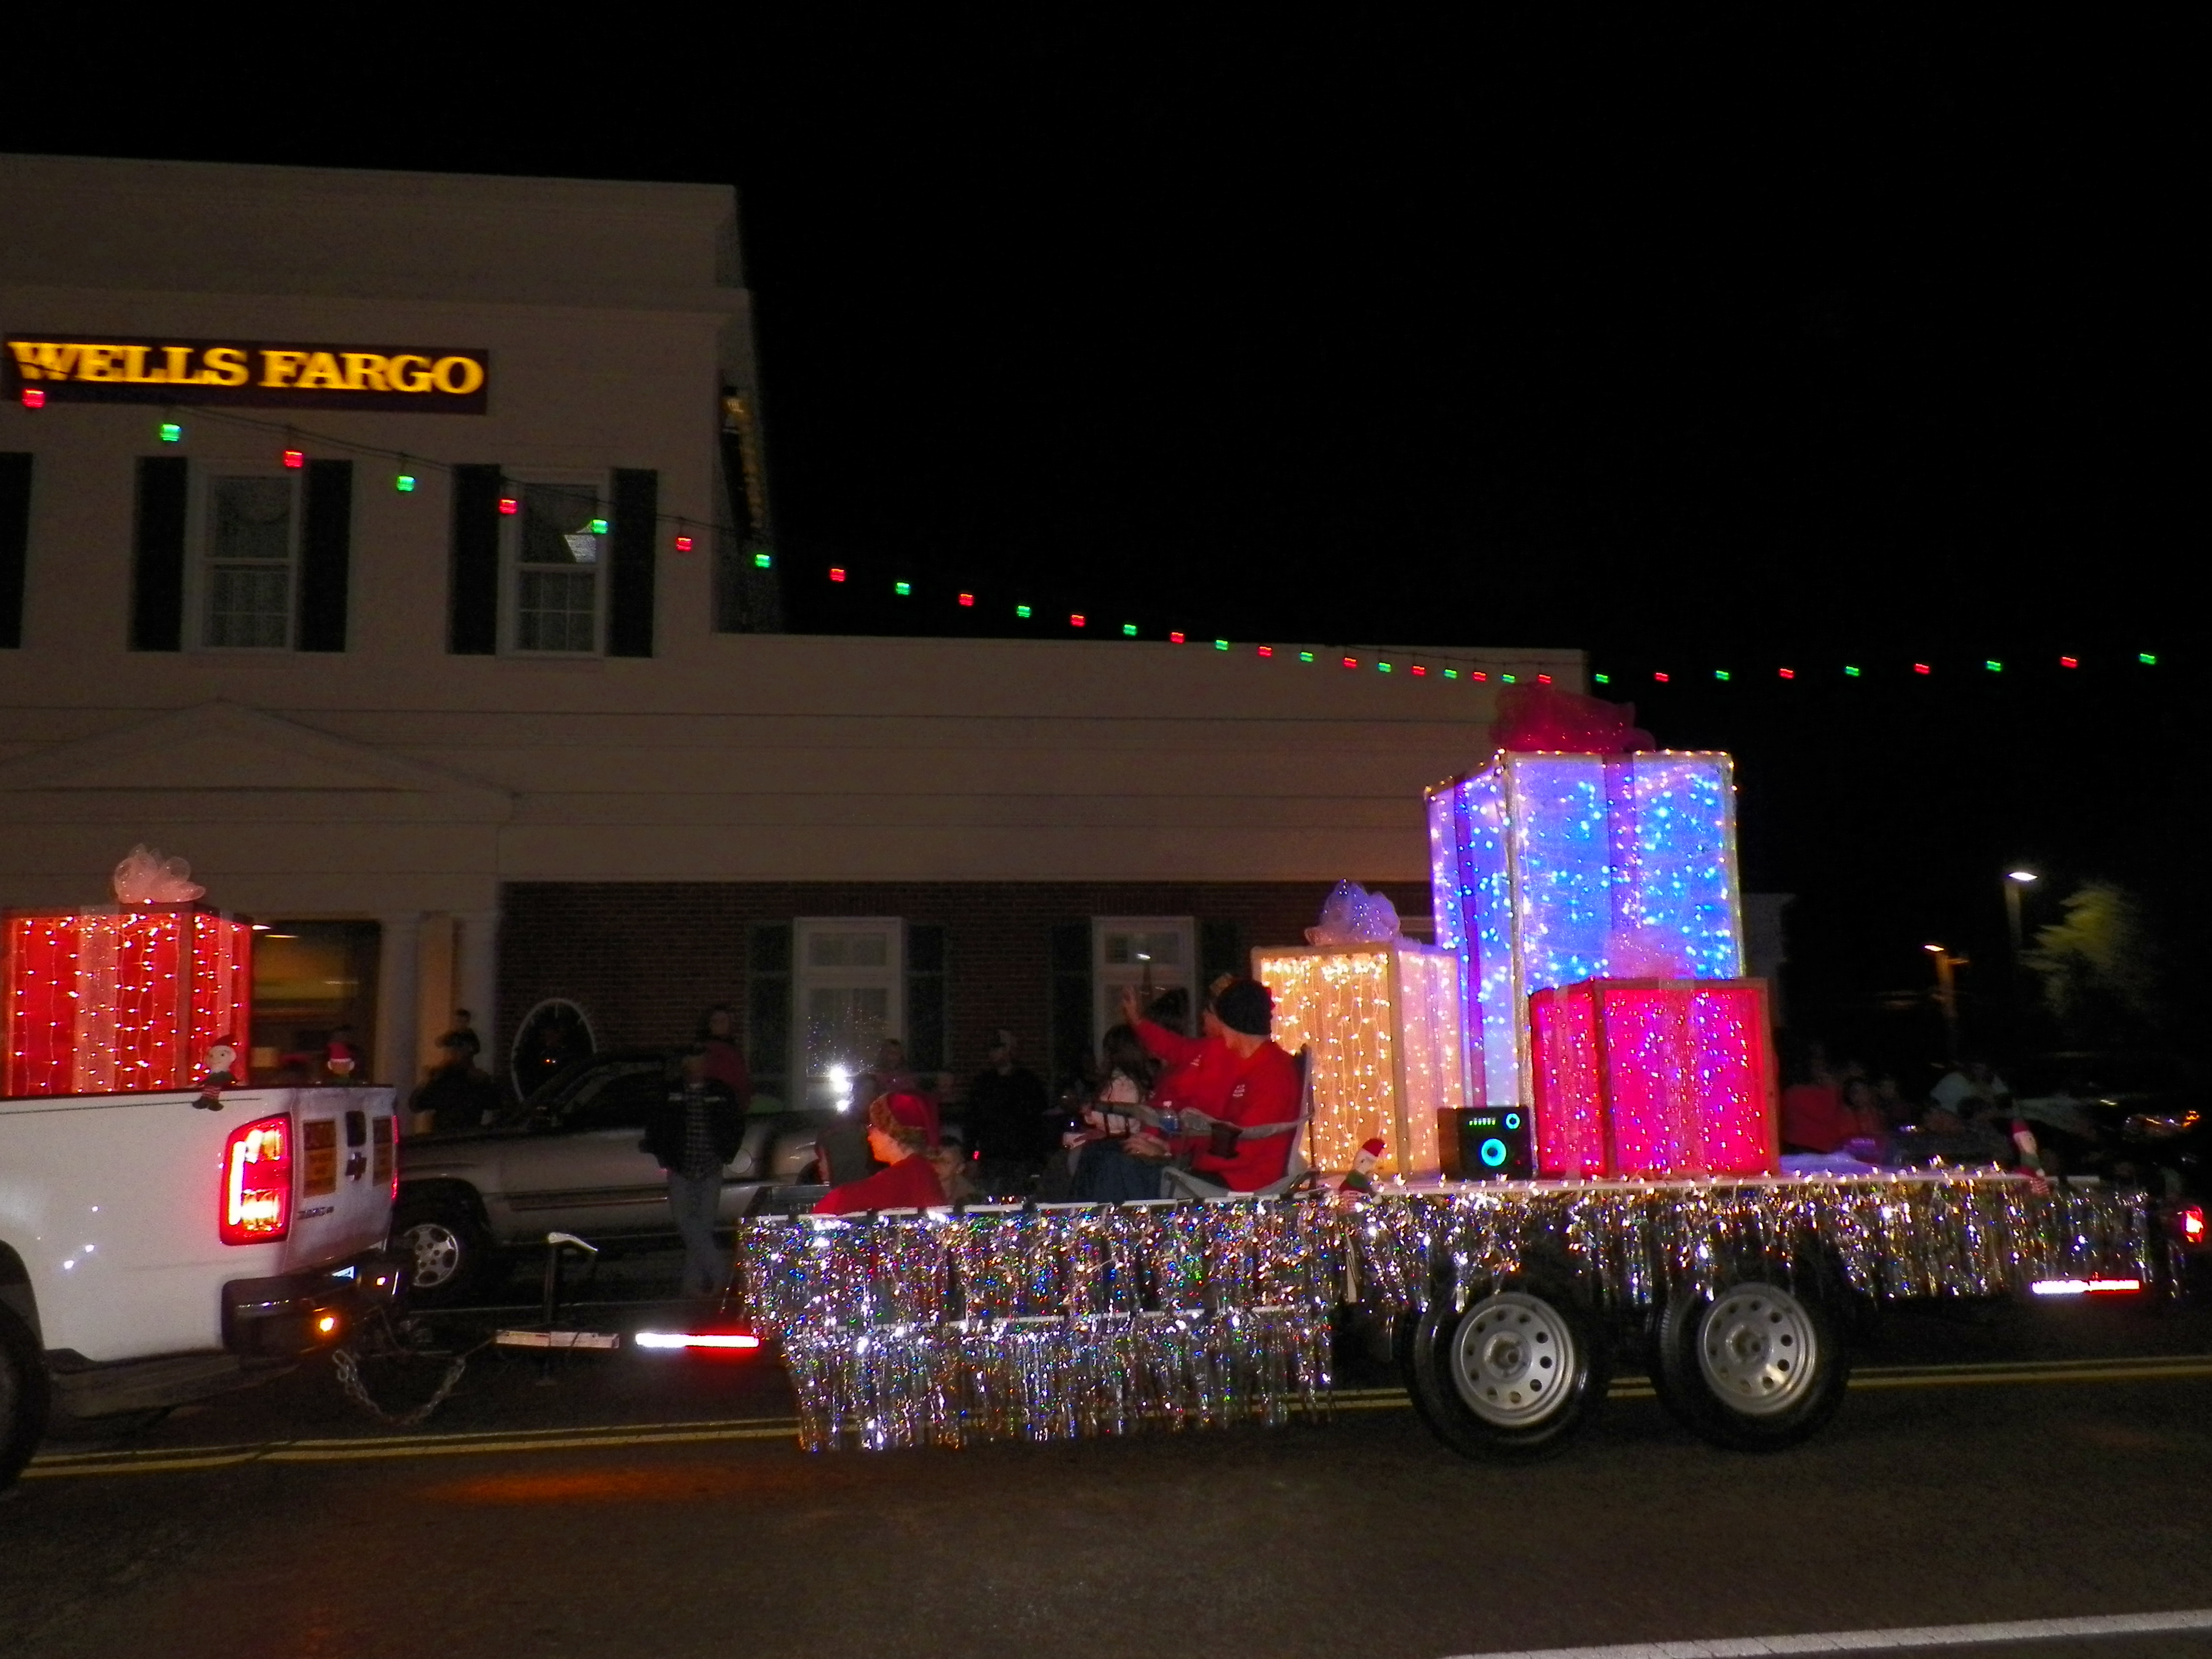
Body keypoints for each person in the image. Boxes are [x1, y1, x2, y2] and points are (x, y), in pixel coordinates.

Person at [1126, 978, 1301, 1192]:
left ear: (1233, 1024)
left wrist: (1176, 1158)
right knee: (1116, 1162)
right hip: (1222, 1172)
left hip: (1239, 1182)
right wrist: (1170, 1148)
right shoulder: (1255, 1064)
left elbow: (1243, 1150)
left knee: (1124, 1170)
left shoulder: (1272, 1074)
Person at [641, 1046, 744, 1297]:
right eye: (695, 1063)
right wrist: (664, 1155)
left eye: (702, 1063)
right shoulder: (671, 1093)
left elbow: (735, 1124)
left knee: (703, 1225)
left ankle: (694, 1284)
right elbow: (656, 1126)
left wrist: (725, 1153)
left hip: (710, 1166)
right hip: (681, 1167)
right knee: (687, 1222)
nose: (700, 1068)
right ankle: (720, 1273)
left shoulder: (719, 1092)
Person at [1068, 1024, 1166, 1202]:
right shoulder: (1119, 1080)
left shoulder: (1126, 1084)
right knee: (1083, 1152)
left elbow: (1122, 1117)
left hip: (1124, 1139)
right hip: (1114, 1137)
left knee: (1092, 1156)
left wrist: (1093, 1114)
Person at [814, 1093, 949, 1214]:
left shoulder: (907, 1175)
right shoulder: (920, 1170)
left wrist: (833, 1201)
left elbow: (847, 1199)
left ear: (892, 1133)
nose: (869, 1137)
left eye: (873, 1127)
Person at [963, 1028, 1053, 1182]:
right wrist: (972, 1156)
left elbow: (1039, 1121)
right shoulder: (983, 1084)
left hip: (1023, 1159)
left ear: (1011, 1050)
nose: (993, 1053)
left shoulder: (1028, 1083)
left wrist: (1038, 1156)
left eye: (998, 1048)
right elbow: (973, 1122)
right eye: (991, 1048)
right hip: (991, 1158)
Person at [409, 1033, 500, 1135]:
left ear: (469, 1050)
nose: (452, 1053)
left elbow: (496, 1103)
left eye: (457, 1048)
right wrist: (427, 1081)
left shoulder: (478, 1079)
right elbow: (416, 1105)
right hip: (443, 1140)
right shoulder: (442, 1077)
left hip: (466, 1140)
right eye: (450, 1049)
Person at [696, 1004, 755, 1109]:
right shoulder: (704, 1051)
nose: (720, 1025)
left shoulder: (734, 1051)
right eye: (715, 1022)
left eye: (724, 1021)